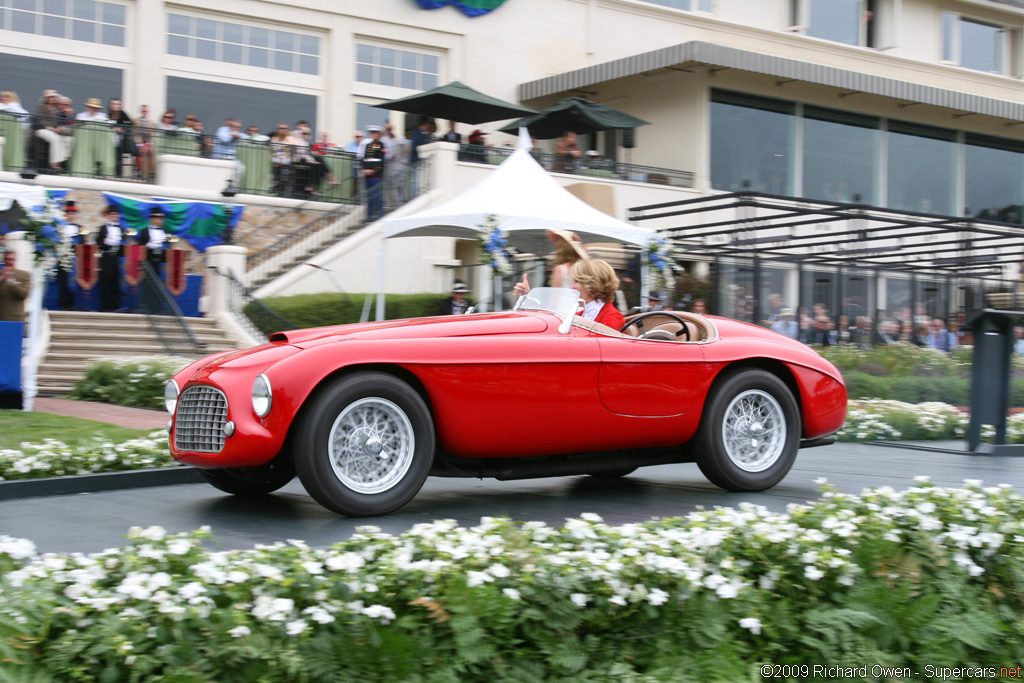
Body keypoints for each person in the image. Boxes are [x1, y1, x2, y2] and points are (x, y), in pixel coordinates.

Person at [513, 258, 625, 330]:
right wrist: (527, 298)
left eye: (576, 281)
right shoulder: (580, 314)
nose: (571, 287)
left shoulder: (613, 317)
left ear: (592, 284)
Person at [96, 204, 126, 312]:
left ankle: (115, 305)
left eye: (116, 214)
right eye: (112, 214)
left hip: (117, 258)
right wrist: (106, 243)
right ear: (108, 215)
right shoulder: (103, 228)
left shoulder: (121, 229)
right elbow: (98, 243)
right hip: (107, 257)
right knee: (106, 282)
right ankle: (106, 306)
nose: (114, 216)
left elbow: (124, 243)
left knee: (116, 282)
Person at [55, 201, 84, 310]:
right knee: (63, 281)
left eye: (73, 214)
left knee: (74, 282)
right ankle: (64, 304)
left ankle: (73, 303)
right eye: (69, 213)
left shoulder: (80, 228)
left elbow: (82, 244)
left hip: (75, 259)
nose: (71, 216)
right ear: (66, 214)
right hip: (63, 257)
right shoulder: (60, 227)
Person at [358, 125, 389, 220]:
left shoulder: (381, 145)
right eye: (372, 133)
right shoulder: (367, 145)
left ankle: (380, 213)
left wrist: (373, 170)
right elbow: (365, 159)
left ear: (379, 134)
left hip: (376, 175)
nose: (374, 135)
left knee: (378, 194)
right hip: (368, 175)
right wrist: (364, 169)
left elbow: (381, 161)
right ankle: (369, 215)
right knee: (369, 195)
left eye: (376, 133)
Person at [136, 206, 168, 275]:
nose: (161, 221)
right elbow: (140, 246)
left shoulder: (165, 231)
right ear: (152, 219)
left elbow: (166, 244)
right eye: (159, 219)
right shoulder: (145, 231)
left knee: (158, 277)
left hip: (160, 258)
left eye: (161, 219)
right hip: (148, 258)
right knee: (149, 278)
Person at [0, 250, 30, 323]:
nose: (10, 262)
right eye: (8, 259)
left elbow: (23, 295)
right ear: (4, 260)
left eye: (12, 259)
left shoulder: (23, 275)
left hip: (15, 319)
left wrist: (11, 281)